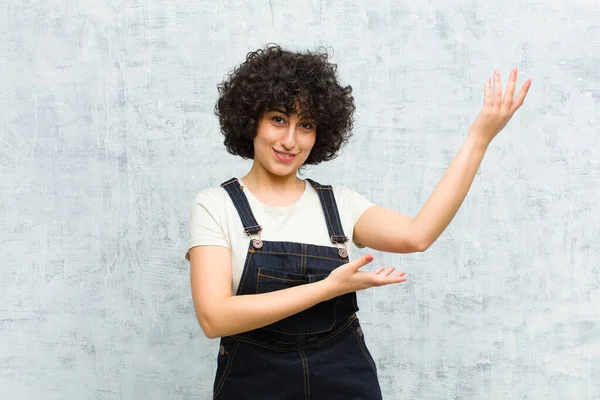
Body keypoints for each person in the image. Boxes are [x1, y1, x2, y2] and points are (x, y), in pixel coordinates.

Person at [187, 44, 531, 399]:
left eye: (305, 125)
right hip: (253, 385)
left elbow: (418, 235)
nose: (290, 140)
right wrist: (326, 288)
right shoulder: (217, 205)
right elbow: (215, 318)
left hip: (345, 382)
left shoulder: (340, 204)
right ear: (251, 120)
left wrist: (479, 138)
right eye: (278, 119)